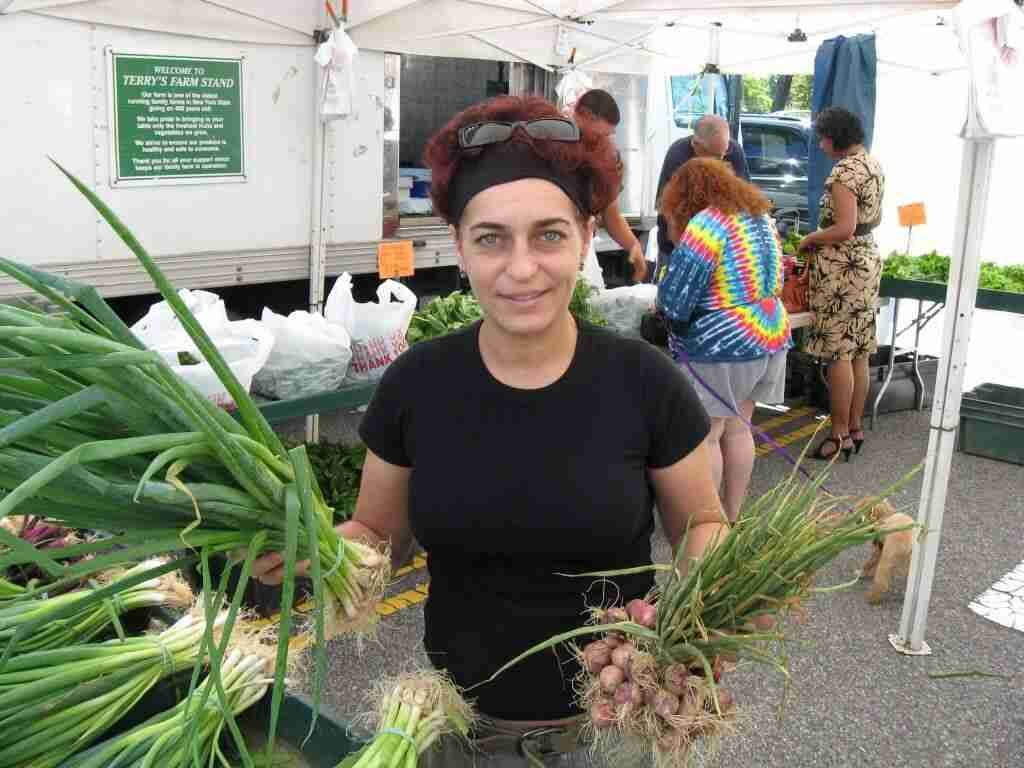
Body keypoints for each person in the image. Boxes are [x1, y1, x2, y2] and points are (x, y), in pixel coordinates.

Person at [254, 96, 730, 766]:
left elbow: (703, 522)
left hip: (611, 728)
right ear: (460, 246)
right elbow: (376, 535)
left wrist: (697, 609)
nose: (521, 267)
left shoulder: (645, 381)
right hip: (450, 729)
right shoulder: (415, 386)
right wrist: (314, 549)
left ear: (586, 232)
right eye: (491, 239)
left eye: (549, 234)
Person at [656, 158, 791, 522]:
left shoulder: (708, 223)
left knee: (709, 435)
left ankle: (708, 526)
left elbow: (676, 297)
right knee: (740, 428)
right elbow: (777, 280)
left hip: (722, 344)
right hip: (770, 334)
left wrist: (663, 307)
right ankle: (732, 516)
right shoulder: (760, 218)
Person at [798, 106, 885, 461]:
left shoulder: (844, 172)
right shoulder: (872, 163)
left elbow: (843, 227)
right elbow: (871, 219)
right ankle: (854, 428)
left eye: (822, 137)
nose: (820, 144)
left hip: (841, 269)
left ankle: (837, 435)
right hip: (866, 260)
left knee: (838, 354)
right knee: (859, 351)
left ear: (834, 137)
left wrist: (811, 239)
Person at [655, 115, 751, 276]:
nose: (721, 160)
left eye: (724, 153)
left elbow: (745, 201)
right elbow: (669, 213)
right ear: (696, 144)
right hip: (677, 247)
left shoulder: (733, 151)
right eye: (716, 156)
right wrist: (686, 258)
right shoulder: (678, 155)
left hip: (719, 250)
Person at [573, 89, 648, 286]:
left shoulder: (607, 155)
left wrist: (634, 246)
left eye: (608, 136)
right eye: (601, 134)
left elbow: (610, 214)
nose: (603, 140)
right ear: (586, 116)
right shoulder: (553, 145)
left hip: (584, 252)